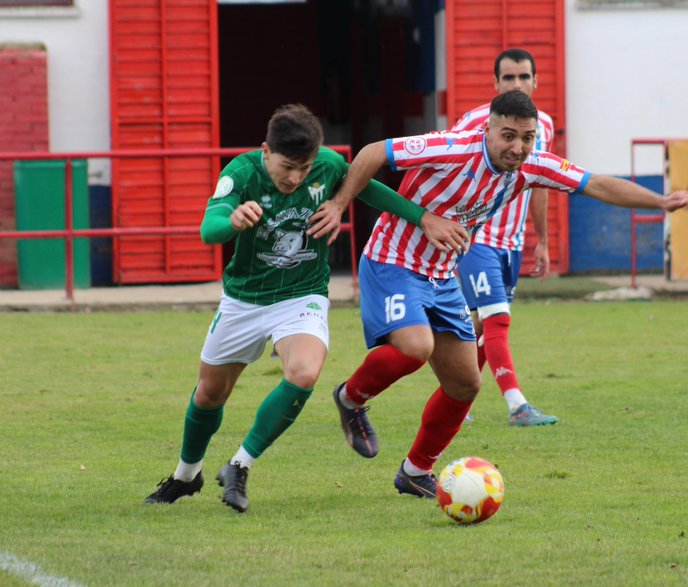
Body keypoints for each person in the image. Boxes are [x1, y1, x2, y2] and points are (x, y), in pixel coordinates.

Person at [308, 91, 688, 498]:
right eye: (509, 136)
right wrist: (340, 205)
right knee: (415, 346)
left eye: (528, 138)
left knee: (465, 383)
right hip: (394, 261)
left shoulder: (533, 165)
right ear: (489, 129)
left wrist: (662, 201)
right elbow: (375, 152)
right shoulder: (451, 147)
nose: (518, 147)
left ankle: (414, 471)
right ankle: (351, 398)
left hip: (443, 275)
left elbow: (597, 184)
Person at [144, 104, 468, 513]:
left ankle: (239, 465)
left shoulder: (328, 166)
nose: (295, 177)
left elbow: (367, 187)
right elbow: (209, 229)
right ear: (266, 151)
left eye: (304, 167)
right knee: (210, 394)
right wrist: (234, 221)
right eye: (286, 167)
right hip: (244, 298)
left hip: (302, 295)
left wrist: (422, 217)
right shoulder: (241, 173)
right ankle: (186, 475)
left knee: (304, 373)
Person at [450, 48, 558, 427]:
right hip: (474, 238)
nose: (517, 84)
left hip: (511, 243)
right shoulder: (474, 121)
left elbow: (542, 181)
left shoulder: (542, 125)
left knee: (480, 327)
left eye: (523, 77)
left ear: (535, 81)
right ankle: (518, 406)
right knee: (497, 319)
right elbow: (446, 167)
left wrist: (540, 239)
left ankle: (454, 400)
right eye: (508, 78)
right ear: (495, 84)